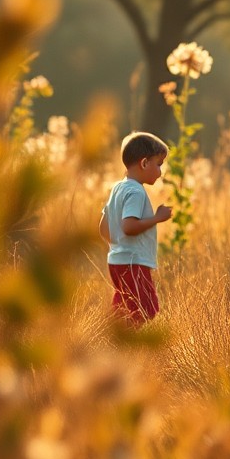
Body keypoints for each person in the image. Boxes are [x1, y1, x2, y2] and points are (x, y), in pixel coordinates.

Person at [98, 131, 173, 326]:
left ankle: (112, 337)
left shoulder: (118, 188)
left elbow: (103, 227)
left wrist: (118, 246)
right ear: (144, 163)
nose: (160, 172)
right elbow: (129, 226)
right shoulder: (136, 192)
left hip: (117, 261)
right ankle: (126, 342)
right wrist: (157, 218)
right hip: (133, 263)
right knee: (145, 309)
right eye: (159, 164)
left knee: (124, 307)